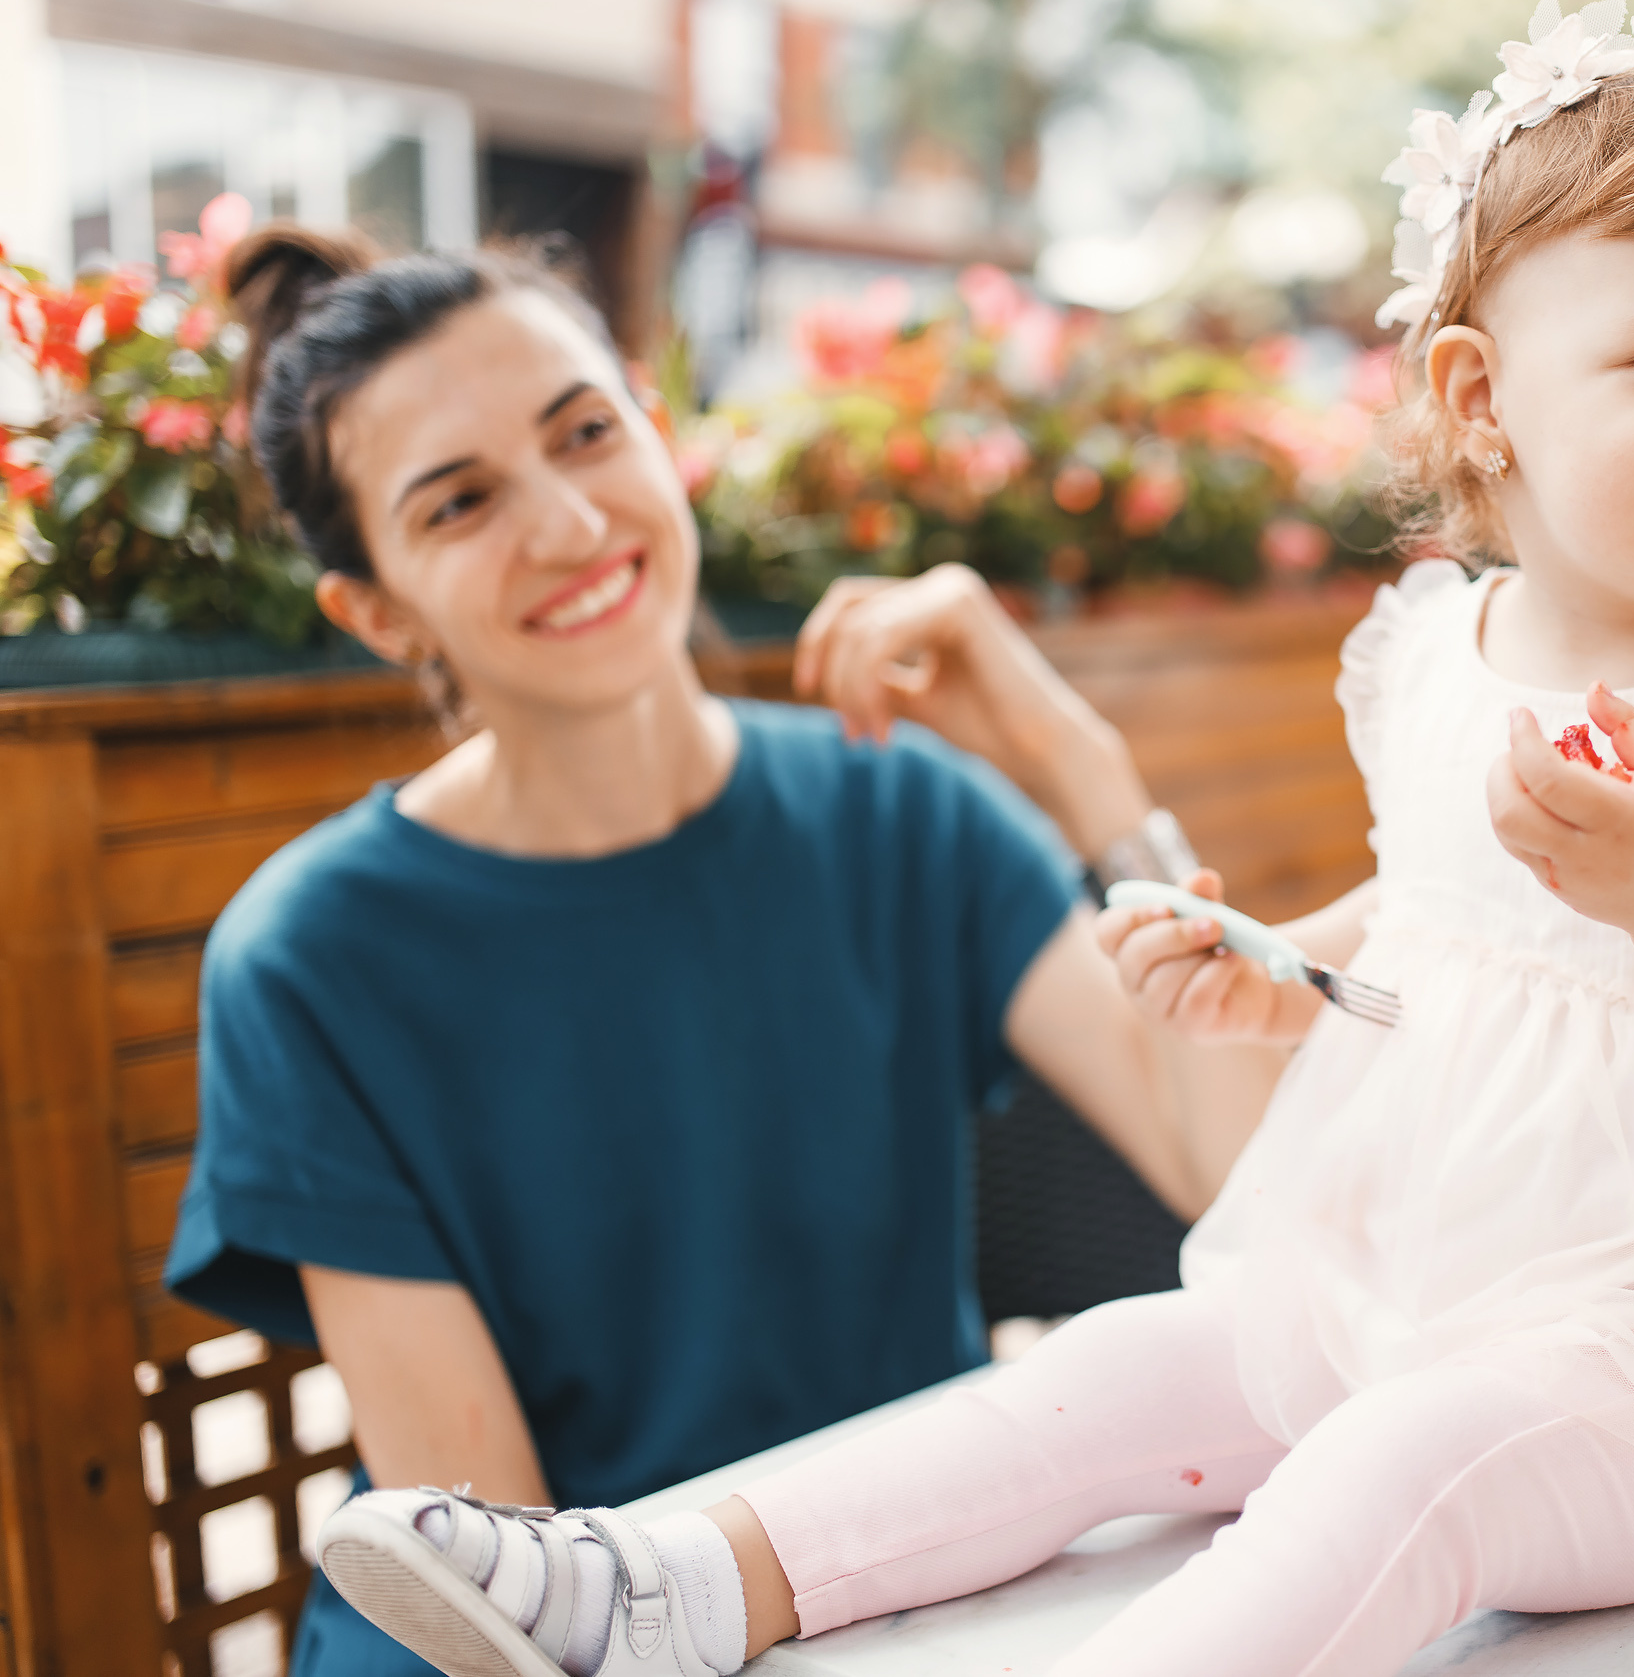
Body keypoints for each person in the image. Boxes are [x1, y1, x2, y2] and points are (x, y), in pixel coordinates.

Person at [318, 0, 1634, 1677]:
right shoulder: (1447, 649)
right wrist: (1298, 970)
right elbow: (1453, 911)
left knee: (1390, 1474)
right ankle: (670, 1577)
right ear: (1486, 397)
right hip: (1431, 1275)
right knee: (1106, 1375)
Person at [163, 226, 1283, 1677]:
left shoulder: (901, 809)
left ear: (652, 424)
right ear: (375, 608)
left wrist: (1082, 765)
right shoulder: (311, 958)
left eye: (586, 429)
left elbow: (1252, 1180)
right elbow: (491, 1559)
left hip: (906, 1590)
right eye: (459, 503)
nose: (568, 523)